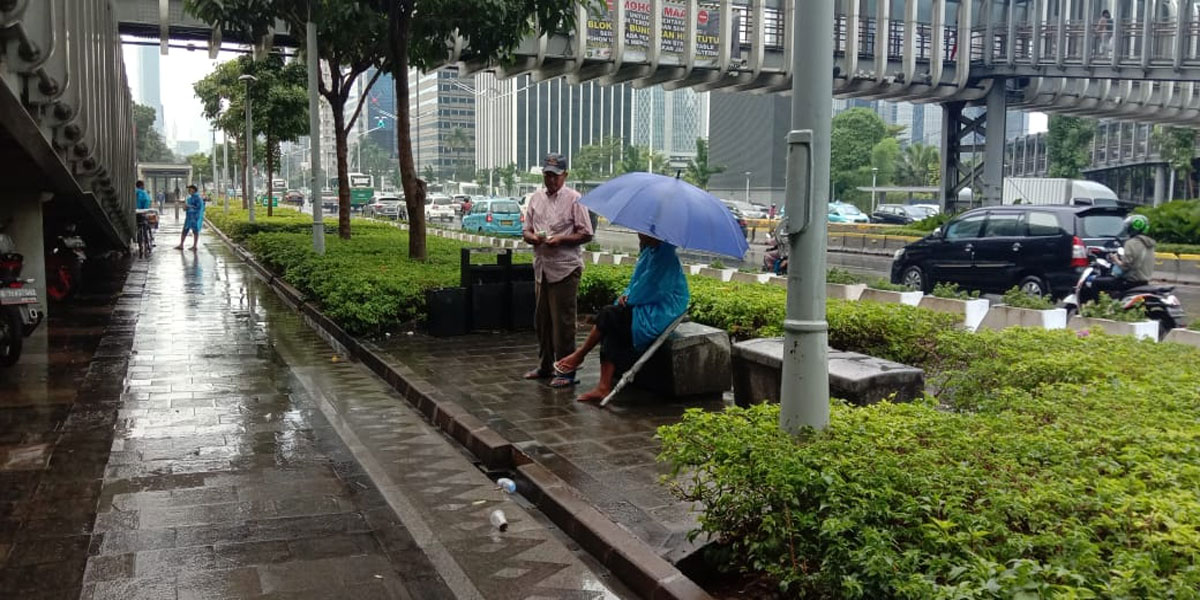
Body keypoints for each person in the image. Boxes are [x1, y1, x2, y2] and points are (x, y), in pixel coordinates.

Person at [553, 233, 690, 403]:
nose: (639, 235)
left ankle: (579, 355)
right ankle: (602, 386)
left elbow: (654, 289)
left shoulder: (666, 257)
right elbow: (635, 284)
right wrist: (626, 296)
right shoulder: (651, 252)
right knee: (610, 322)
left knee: (609, 315)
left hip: (659, 314)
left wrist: (630, 299)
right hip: (644, 307)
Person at [521, 153, 595, 388]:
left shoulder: (575, 199)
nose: (550, 180)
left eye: (555, 176)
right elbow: (526, 229)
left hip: (565, 269)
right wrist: (532, 237)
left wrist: (561, 239)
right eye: (547, 175)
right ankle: (545, 366)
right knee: (542, 321)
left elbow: (586, 233)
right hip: (542, 268)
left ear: (565, 175)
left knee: (563, 324)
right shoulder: (535, 198)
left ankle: (566, 371)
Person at [1080, 214, 1155, 304]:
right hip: (1143, 281)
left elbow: (1126, 266)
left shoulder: (1131, 243)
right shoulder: (1150, 244)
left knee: (1096, 282)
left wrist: (1115, 259)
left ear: (1133, 228)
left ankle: (1099, 309)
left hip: (1130, 281)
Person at [176, 184, 205, 251]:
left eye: (190, 189)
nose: (189, 190)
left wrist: (189, 206)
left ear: (194, 190)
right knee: (185, 230)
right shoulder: (189, 198)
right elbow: (187, 207)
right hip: (189, 217)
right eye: (188, 189)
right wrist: (185, 207)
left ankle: (194, 246)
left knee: (195, 231)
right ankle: (181, 245)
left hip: (195, 217)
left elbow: (199, 207)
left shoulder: (198, 198)